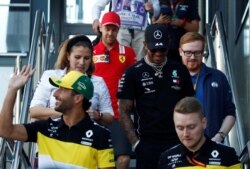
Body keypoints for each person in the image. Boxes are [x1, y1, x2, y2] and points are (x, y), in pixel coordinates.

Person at [0, 65, 115, 169]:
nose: (55, 94)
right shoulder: (45, 128)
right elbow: (5, 131)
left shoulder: (101, 135)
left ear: (78, 98)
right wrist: (12, 90)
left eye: (63, 89)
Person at [117, 24, 195, 169]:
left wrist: (188, 139)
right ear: (145, 45)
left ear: (169, 43)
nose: (158, 53)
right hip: (147, 144)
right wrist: (135, 143)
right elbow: (123, 110)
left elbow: (191, 107)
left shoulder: (180, 70)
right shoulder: (133, 73)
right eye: (154, 49)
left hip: (177, 142)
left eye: (162, 48)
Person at [30, 35, 114, 125]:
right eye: (77, 57)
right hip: (54, 133)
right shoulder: (50, 76)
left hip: (86, 135)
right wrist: (70, 113)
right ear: (68, 56)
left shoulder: (98, 82)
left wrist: (97, 115)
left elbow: (109, 117)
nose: (82, 62)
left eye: (87, 58)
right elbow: (34, 111)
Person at [93, 11, 136, 169]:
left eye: (114, 29)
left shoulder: (128, 52)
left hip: (118, 115)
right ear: (101, 28)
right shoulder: (90, 52)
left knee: (124, 159)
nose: (110, 33)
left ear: (118, 30)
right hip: (95, 115)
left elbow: (135, 82)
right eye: (107, 28)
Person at [179, 32, 236, 143]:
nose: (192, 57)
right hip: (179, 146)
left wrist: (220, 136)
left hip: (211, 144)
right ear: (180, 52)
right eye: (188, 53)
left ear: (203, 53)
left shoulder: (218, 77)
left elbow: (230, 112)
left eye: (197, 53)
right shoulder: (170, 77)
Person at [158, 97, 241, 169]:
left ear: (204, 123)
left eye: (191, 127)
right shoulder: (166, 158)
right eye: (180, 128)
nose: (185, 134)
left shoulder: (227, 155)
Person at [92, 0, 160, 61]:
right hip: (121, 30)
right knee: (122, 59)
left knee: (141, 61)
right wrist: (95, 19)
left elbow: (157, 8)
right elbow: (98, 6)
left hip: (140, 30)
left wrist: (152, 9)